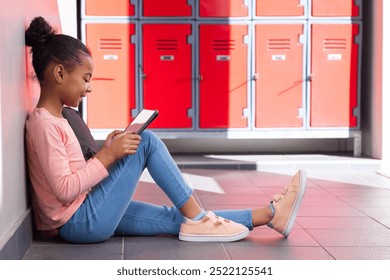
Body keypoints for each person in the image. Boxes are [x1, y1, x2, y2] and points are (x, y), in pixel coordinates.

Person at [24, 16, 307, 244]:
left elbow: (70, 176)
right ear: (59, 74)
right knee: (145, 141)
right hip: (80, 222)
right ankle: (199, 219)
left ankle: (269, 215)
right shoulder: (43, 125)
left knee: (177, 219)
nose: (90, 87)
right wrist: (107, 157)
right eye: (85, 79)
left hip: (87, 210)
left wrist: (105, 151)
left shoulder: (57, 119)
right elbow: (64, 190)